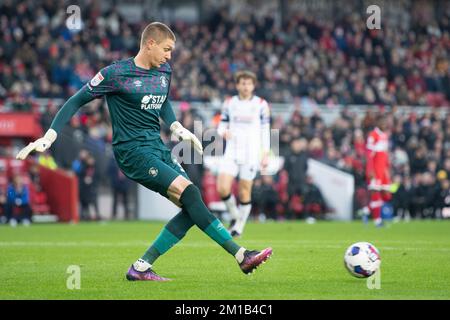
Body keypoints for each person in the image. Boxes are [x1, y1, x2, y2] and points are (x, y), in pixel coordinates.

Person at [16, 22, 272, 281]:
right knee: (191, 194)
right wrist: (49, 136)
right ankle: (241, 256)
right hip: (132, 152)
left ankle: (140, 267)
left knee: (192, 204)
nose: (169, 56)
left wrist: (176, 126)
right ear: (150, 44)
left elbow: (163, 101)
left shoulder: (164, 71)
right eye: (167, 49)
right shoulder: (115, 73)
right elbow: (76, 100)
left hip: (158, 148)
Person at [216, 70, 271, 238]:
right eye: (243, 83)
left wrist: (265, 153)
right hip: (232, 150)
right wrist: (222, 132)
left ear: (253, 86)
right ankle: (234, 216)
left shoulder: (261, 104)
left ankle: (239, 226)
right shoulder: (229, 103)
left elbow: (265, 130)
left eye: (249, 83)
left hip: (251, 152)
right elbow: (222, 125)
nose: (246, 86)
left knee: (244, 192)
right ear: (237, 85)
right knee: (222, 188)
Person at [365, 116, 392, 227]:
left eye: (385, 122)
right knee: (376, 194)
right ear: (378, 123)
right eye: (382, 122)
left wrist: (387, 168)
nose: (384, 124)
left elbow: (385, 154)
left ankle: (366, 210)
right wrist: (370, 169)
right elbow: (369, 154)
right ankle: (377, 221)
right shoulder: (373, 135)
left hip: (383, 170)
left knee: (386, 196)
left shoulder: (385, 136)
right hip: (375, 170)